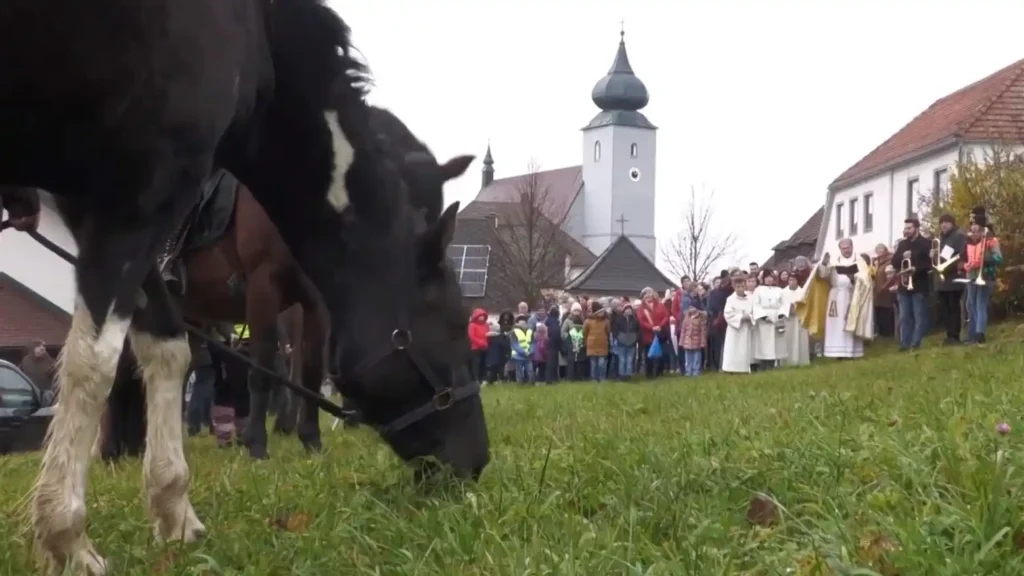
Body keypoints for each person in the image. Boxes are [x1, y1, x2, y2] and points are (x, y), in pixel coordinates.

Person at [816, 238, 874, 358]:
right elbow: (823, 275)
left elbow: (866, 280)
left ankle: (852, 351)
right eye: (843, 248)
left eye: (848, 247)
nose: (846, 250)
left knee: (851, 321)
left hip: (853, 294)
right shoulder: (834, 260)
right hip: (836, 296)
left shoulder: (859, 261)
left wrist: (853, 278)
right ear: (840, 249)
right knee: (836, 323)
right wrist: (823, 263)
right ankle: (837, 352)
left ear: (852, 247)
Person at [893, 218, 932, 351]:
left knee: (919, 316)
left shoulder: (926, 243)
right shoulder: (902, 244)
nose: (907, 231)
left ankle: (916, 343)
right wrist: (902, 257)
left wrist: (916, 269)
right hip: (904, 287)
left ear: (916, 228)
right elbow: (894, 263)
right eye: (905, 228)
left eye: (909, 228)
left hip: (919, 284)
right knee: (904, 317)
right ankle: (904, 344)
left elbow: (929, 264)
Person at [964, 216, 1002, 344]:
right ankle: (973, 333)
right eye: (972, 231)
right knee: (970, 305)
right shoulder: (968, 242)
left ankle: (980, 334)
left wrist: (984, 259)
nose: (974, 234)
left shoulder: (991, 241)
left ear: (982, 230)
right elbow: (963, 258)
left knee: (980, 304)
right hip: (971, 276)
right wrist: (964, 265)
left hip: (986, 276)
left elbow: (999, 259)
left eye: (976, 231)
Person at [933, 213, 968, 345]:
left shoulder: (958, 236)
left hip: (954, 278)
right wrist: (934, 255)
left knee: (953, 308)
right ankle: (949, 335)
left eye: (946, 222)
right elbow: (939, 258)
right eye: (941, 223)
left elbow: (960, 255)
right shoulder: (940, 238)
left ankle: (954, 335)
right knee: (945, 309)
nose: (943, 225)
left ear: (952, 223)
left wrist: (941, 257)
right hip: (942, 280)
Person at [751, 271, 787, 370]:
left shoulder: (779, 290)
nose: (769, 279)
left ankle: (773, 363)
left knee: (776, 341)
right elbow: (756, 304)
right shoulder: (758, 290)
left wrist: (780, 315)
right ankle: (763, 364)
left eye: (771, 277)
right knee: (764, 341)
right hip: (764, 319)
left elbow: (784, 303)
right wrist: (763, 316)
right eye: (767, 277)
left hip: (776, 316)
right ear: (763, 279)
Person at [722, 274, 754, 373]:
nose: (740, 289)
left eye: (742, 286)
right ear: (734, 287)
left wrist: (750, 317)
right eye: (737, 287)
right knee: (733, 348)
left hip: (745, 328)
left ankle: (744, 368)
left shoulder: (750, 299)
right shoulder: (730, 299)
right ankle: (730, 368)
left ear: (745, 286)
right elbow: (727, 314)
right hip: (735, 329)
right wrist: (740, 317)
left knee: (744, 349)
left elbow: (754, 311)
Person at [637, 287, 669, 378]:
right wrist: (652, 327)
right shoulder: (641, 308)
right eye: (646, 294)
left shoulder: (660, 305)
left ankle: (659, 372)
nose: (648, 295)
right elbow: (641, 321)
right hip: (648, 335)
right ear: (642, 297)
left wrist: (660, 326)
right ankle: (649, 374)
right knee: (649, 355)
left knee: (661, 354)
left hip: (660, 333)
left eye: (650, 293)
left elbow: (666, 316)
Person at [780, 275, 811, 366]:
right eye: (790, 280)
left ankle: (802, 361)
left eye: (794, 279)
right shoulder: (783, 292)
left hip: (799, 319)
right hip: (788, 319)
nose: (792, 282)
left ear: (797, 281)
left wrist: (797, 310)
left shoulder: (803, 292)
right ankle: (787, 361)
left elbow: (806, 305)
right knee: (788, 340)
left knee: (800, 339)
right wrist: (788, 309)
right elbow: (780, 304)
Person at [705, 275, 732, 371]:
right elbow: (710, 308)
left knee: (720, 344)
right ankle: (717, 365)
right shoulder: (713, 293)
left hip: (720, 320)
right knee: (718, 344)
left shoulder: (729, 293)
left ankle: (718, 365)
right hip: (718, 320)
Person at [872, 243, 896, 338]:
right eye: (877, 250)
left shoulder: (890, 261)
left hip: (886, 289)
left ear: (885, 250)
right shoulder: (877, 262)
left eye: (881, 250)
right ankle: (881, 332)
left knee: (886, 311)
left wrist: (885, 286)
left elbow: (891, 275)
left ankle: (888, 333)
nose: (879, 252)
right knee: (878, 311)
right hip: (877, 290)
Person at [680, 297, 708, 376]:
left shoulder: (700, 318)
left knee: (696, 358)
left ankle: (696, 371)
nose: (691, 309)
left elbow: (703, 331)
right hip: (687, 341)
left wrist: (703, 342)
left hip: (697, 342)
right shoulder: (686, 318)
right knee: (688, 358)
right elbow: (683, 330)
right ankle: (688, 371)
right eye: (690, 307)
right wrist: (681, 341)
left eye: (693, 307)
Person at [583, 301, 611, 382]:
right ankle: (594, 378)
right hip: (592, 345)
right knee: (594, 363)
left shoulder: (606, 321)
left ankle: (602, 378)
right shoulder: (588, 321)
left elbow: (608, 332)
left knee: (601, 363)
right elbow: (585, 332)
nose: (602, 313)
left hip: (602, 344)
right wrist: (586, 341)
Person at [611, 301, 640, 380]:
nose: (628, 311)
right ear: (624, 310)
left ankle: (628, 374)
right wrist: (619, 337)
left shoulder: (635, 319)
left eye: (630, 309)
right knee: (622, 359)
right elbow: (615, 330)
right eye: (627, 309)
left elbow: (638, 330)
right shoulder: (619, 319)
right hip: (621, 342)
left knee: (630, 359)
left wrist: (635, 338)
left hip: (632, 342)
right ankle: (621, 375)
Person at [562, 302, 587, 380]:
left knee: (580, 361)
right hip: (571, 342)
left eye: (578, 311)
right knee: (571, 360)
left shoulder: (583, 320)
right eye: (575, 311)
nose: (577, 313)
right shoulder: (568, 320)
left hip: (580, 343)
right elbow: (563, 331)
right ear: (572, 311)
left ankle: (579, 376)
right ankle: (571, 377)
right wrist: (569, 338)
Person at [510, 315, 534, 384]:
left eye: (524, 321)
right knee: (519, 371)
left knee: (530, 370)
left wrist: (531, 351)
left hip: (528, 355)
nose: (523, 322)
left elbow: (532, 343)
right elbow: (514, 345)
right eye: (521, 321)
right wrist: (523, 352)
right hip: (518, 355)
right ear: (517, 323)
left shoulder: (530, 331)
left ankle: (531, 383)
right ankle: (520, 383)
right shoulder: (514, 332)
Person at [467, 308, 489, 384]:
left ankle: (483, 379)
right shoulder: (472, 325)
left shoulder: (486, 325)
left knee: (484, 363)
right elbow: (471, 337)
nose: (482, 317)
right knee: (476, 364)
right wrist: (482, 343)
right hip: (475, 348)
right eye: (480, 316)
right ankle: (475, 379)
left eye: (483, 316)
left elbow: (487, 334)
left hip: (485, 348)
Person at [544, 306, 562, 383]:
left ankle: (554, 378)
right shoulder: (554, 322)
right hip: (553, 344)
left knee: (553, 362)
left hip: (549, 343)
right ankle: (550, 379)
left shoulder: (549, 321)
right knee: (552, 362)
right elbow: (556, 333)